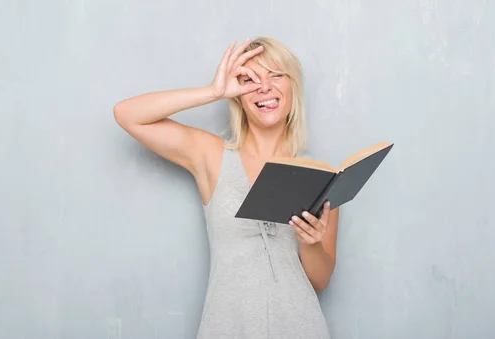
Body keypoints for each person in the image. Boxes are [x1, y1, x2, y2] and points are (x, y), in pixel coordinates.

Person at [113, 37, 339, 339]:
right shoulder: (212, 155)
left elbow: (320, 280)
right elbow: (127, 114)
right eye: (250, 79)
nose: (264, 87)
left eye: (276, 75)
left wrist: (310, 243)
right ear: (239, 95)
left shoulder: (319, 176)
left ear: (293, 86)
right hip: (227, 327)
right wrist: (213, 92)